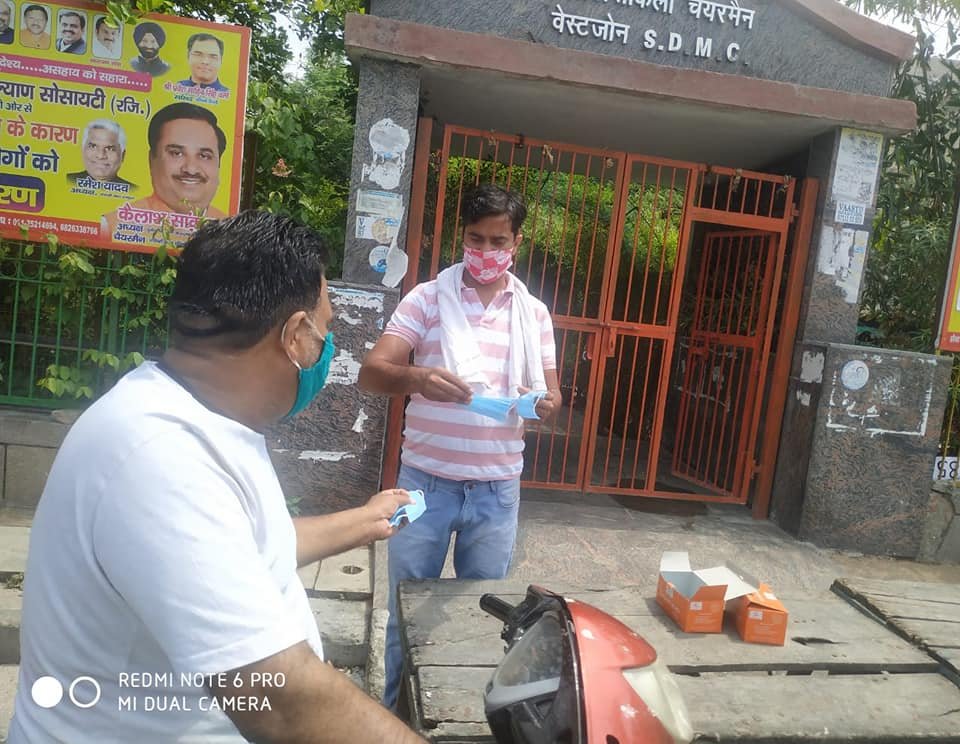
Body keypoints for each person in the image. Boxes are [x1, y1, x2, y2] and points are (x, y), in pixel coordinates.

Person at [10, 211, 427, 744]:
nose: (326, 349)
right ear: (296, 336)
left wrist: (365, 520)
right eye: (325, 331)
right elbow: (282, 703)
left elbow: (241, 549)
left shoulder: (200, 418)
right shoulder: (161, 455)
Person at [358, 184, 563, 710]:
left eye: (499, 240)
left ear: (517, 241)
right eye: (477, 238)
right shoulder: (426, 298)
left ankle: (460, 715)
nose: (487, 251)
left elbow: (552, 394)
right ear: (462, 237)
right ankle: (394, 717)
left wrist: (541, 404)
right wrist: (420, 377)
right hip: (423, 485)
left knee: (481, 615)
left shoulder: (534, 313)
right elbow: (373, 373)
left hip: (497, 491)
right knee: (407, 611)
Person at [101, 103, 226, 241]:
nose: (191, 169)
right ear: (151, 160)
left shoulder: (229, 233)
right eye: (176, 153)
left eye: (204, 156)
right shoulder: (111, 227)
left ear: (218, 165)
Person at [67, 120, 135, 186]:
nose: (100, 156)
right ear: (83, 150)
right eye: (93, 146)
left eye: (110, 149)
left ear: (122, 155)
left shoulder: (134, 192)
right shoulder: (67, 181)